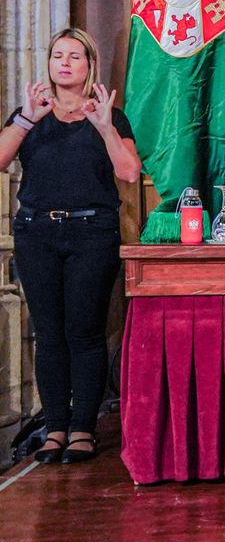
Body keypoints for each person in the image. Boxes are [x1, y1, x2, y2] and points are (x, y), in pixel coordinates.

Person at [0, 28, 141, 463]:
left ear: (89, 66)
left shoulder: (109, 117)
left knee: (84, 332)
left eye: (74, 56)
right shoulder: (29, 115)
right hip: (37, 233)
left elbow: (130, 173)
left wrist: (104, 128)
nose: (64, 63)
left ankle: (83, 428)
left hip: (91, 233)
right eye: (57, 55)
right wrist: (26, 119)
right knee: (50, 334)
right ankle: (55, 428)